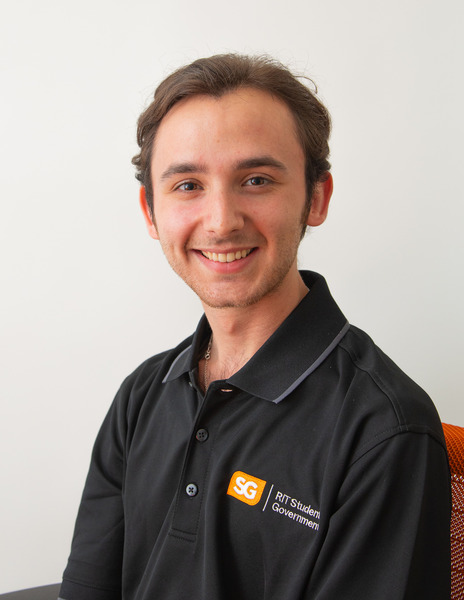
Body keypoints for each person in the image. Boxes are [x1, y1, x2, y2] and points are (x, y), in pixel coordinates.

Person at [59, 54, 451, 599]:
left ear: (316, 198)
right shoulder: (142, 396)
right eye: (188, 185)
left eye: (257, 180)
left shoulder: (384, 429)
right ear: (151, 211)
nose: (221, 221)